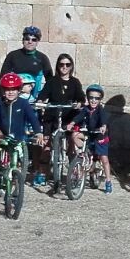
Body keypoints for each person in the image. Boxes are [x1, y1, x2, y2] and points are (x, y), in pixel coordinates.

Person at [34, 53, 85, 187]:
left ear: (71, 66)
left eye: (67, 64)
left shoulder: (75, 82)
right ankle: (42, 173)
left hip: (69, 116)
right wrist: (40, 102)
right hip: (52, 115)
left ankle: (74, 173)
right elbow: (43, 95)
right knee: (46, 145)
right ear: (58, 66)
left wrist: (79, 103)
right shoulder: (52, 81)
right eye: (61, 64)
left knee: (71, 145)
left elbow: (81, 97)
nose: (64, 67)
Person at [0, 71, 44, 175]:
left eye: (14, 89)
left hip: (18, 136)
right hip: (2, 134)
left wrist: (38, 132)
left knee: (16, 163)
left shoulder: (23, 103)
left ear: (19, 90)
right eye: (7, 89)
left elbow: (32, 118)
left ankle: (16, 177)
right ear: (3, 91)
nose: (11, 92)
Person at [70, 84, 114, 193]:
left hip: (100, 136)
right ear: (87, 98)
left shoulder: (100, 110)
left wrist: (103, 126)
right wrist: (72, 123)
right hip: (89, 135)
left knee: (104, 159)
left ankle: (108, 181)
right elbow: (79, 117)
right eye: (91, 98)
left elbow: (104, 119)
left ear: (100, 100)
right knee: (74, 135)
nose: (93, 101)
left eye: (97, 98)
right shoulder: (86, 109)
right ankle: (82, 153)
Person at [0, 25, 52, 101]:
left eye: (34, 40)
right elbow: (3, 76)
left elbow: (50, 81)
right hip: (14, 98)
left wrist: (42, 97)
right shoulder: (13, 55)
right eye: (27, 39)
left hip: (33, 99)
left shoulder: (42, 58)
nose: (30, 42)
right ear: (23, 40)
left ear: (37, 42)